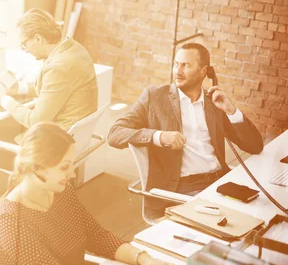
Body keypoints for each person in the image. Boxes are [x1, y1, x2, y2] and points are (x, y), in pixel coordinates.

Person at [0, 122, 183, 265]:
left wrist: (144, 259)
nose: (72, 174)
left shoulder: (59, 191)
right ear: (35, 168)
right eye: (64, 167)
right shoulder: (9, 220)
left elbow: (96, 235)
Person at [107, 43, 263, 219]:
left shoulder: (214, 102)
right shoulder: (155, 97)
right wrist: (158, 136)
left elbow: (255, 146)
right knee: (232, 225)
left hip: (221, 183)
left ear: (204, 71)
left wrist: (232, 111)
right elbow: (115, 133)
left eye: (186, 65)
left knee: (261, 216)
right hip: (185, 189)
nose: (178, 71)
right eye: (176, 64)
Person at [0, 8, 99, 140]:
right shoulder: (74, 48)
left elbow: (35, 121)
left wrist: (3, 99)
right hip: (75, 135)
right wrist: (18, 88)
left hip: (58, 142)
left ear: (38, 38)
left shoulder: (58, 68)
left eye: (24, 44)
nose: (25, 51)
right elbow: (54, 90)